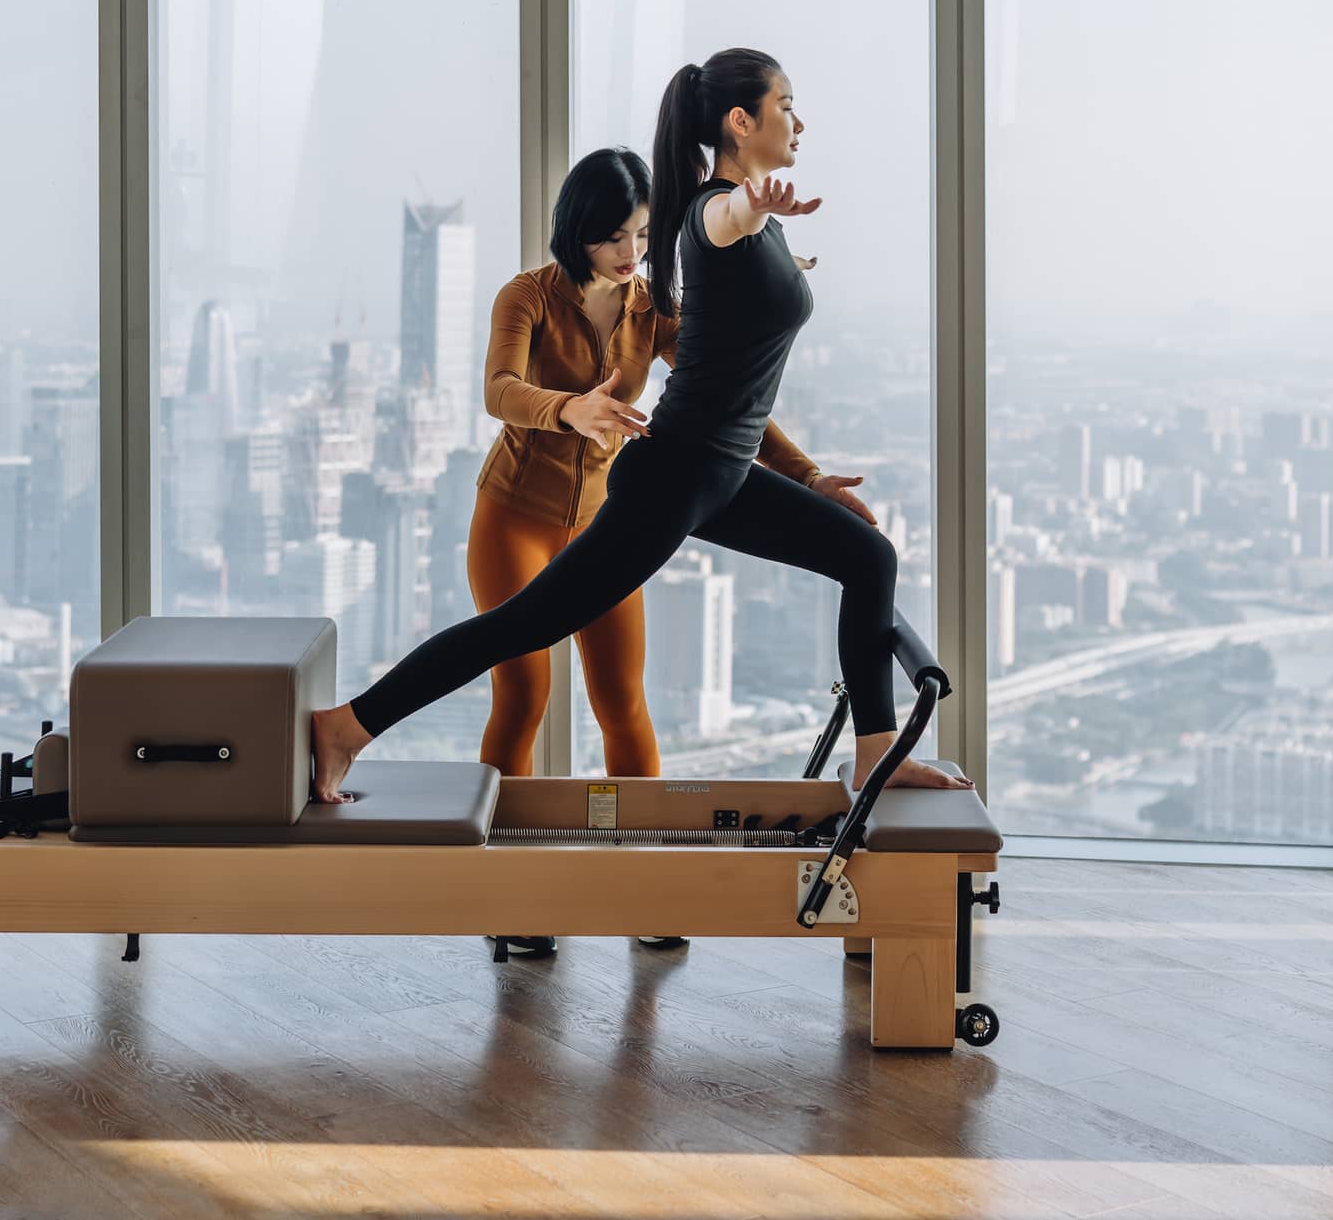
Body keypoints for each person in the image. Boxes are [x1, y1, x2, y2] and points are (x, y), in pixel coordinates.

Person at [313, 46, 974, 805]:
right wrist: (754, 204)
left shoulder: (709, 255)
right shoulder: (713, 214)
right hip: (673, 477)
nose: (798, 117)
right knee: (520, 632)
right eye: (785, 102)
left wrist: (811, 477)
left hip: (720, 476)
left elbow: (738, 384)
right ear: (740, 119)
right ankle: (346, 728)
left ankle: (874, 756)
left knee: (869, 559)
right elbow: (717, 218)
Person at [471, 146, 827, 782]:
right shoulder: (526, 297)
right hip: (514, 518)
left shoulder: (652, 308)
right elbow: (498, 388)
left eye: (641, 233)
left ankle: (639, 852)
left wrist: (807, 475)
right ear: (575, 231)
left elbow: (727, 399)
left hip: (606, 524)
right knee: (523, 697)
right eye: (613, 236)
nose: (631, 250)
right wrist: (568, 409)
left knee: (623, 703)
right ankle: (499, 856)